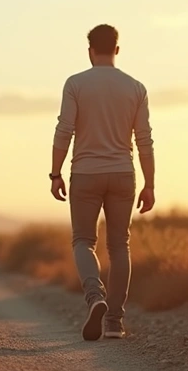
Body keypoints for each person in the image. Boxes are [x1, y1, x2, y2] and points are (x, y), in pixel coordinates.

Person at [50, 24, 155, 341]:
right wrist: (149, 184)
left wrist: (55, 173)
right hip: (123, 172)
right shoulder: (135, 88)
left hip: (85, 173)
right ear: (117, 50)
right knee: (119, 245)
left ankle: (95, 296)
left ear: (90, 50)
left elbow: (64, 131)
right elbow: (145, 140)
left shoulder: (76, 84)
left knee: (83, 240)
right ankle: (114, 322)